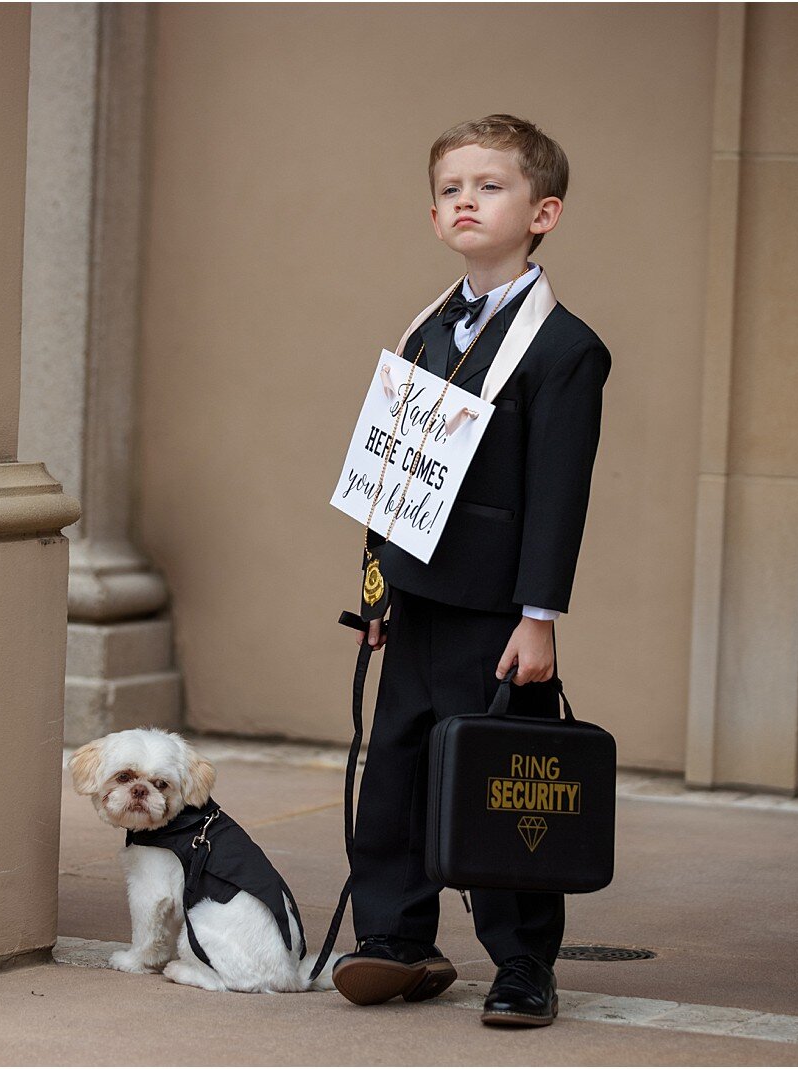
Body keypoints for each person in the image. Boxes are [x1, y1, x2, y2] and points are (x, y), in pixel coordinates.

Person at [332, 115, 610, 1027]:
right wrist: (374, 591)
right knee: (397, 769)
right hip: (414, 598)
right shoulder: (424, 331)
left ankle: (524, 960)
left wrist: (539, 616)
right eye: (451, 188)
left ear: (545, 212)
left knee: (502, 781)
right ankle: (398, 935)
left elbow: (557, 495)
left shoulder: (566, 350)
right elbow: (390, 470)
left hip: (495, 610)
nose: (464, 200)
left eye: (488, 186)